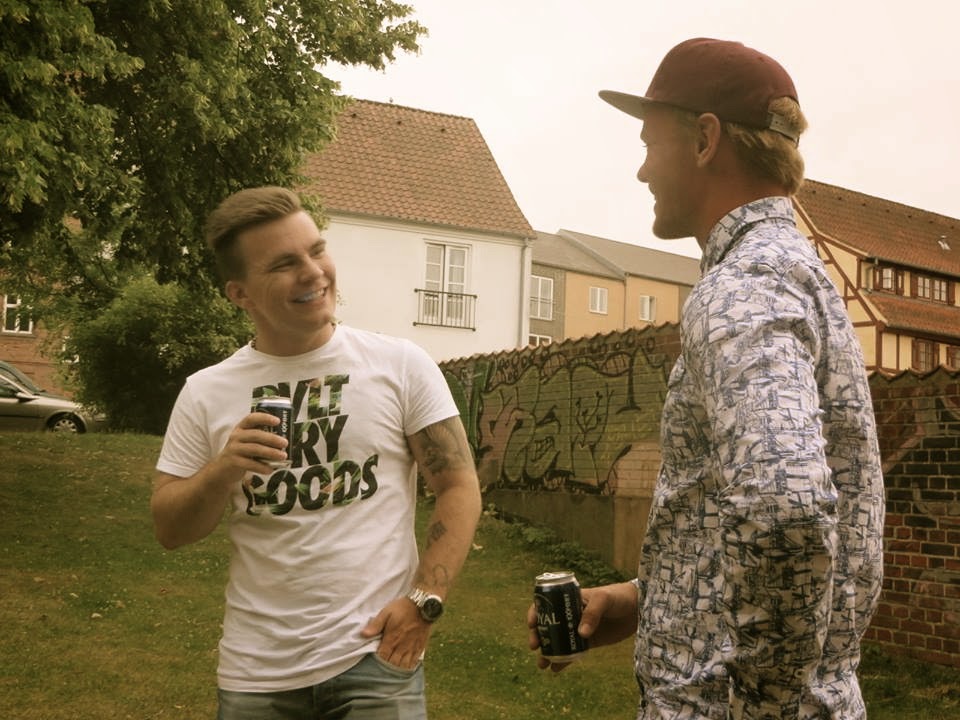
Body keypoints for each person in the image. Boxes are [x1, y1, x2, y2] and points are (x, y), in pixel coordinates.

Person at [527, 38, 884, 719]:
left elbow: (786, 510)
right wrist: (645, 600)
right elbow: (758, 521)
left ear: (704, 139)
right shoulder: (797, 272)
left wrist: (766, 704)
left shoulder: (744, 284)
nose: (641, 171)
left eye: (649, 144)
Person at [151, 186, 482, 719]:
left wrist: (425, 602)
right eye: (284, 264)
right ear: (240, 294)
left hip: (376, 659)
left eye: (317, 250)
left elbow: (459, 485)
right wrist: (223, 470)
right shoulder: (207, 391)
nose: (313, 272)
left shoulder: (400, 365)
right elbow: (170, 528)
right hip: (256, 675)